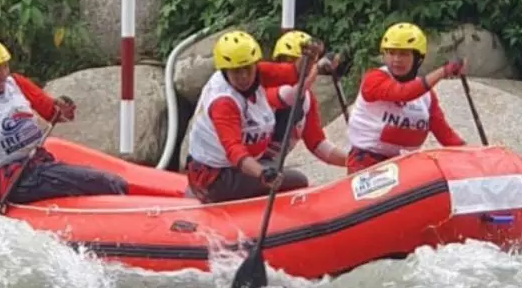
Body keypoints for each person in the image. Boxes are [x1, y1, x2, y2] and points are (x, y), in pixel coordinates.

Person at [0, 38, 128, 205]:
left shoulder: (16, 84)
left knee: (110, 181)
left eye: (5, 67)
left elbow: (52, 113)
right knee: (110, 183)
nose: (4, 74)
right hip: (16, 180)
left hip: (40, 163)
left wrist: (63, 109)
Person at [184, 29, 318, 203]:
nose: (244, 76)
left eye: (247, 68)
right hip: (216, 176)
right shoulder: (223, 102)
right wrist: (261, 173)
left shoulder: (259, 72)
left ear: (255, 64)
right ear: (225, 71)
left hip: (233, 167)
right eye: (236, 71)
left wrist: (310, 57)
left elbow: (294, 73)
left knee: (276, 170)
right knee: (298, 181)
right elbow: (235, 151)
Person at [345, 22, 467, 174]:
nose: (396, 59)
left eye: (403, 54)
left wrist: (472, 154)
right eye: (391, 53)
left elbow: (445, 135)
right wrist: (443, 72)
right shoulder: (373, 79)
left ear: (418, 59)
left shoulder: (426, 96)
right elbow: (403, 93)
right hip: (367, 162)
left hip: (404, 166)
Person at [266, 30, 349, 168]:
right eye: (289, 62)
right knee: (299, 181)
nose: (296, 68)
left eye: (305, 63)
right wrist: (315, 69)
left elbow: (317, 144)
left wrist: (351, 162)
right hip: (246, 167)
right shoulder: (264, 89)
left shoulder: (307, 99)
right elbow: (290, 96)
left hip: (269, 169)